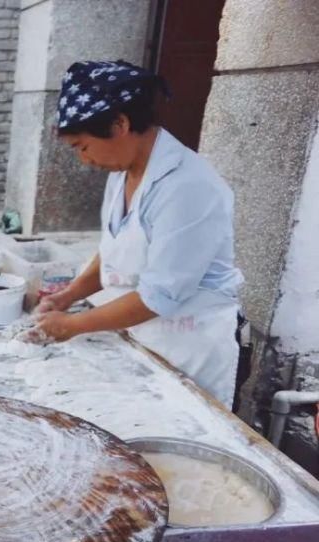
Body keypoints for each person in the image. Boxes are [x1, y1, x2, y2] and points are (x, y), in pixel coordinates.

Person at [33, 60, 244, 407]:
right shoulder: (122, 173)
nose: (83, 160)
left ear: (120, 124)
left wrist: (71, 325)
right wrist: (67, 297)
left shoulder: (187, 186)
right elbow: (115, 250)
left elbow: (158, 296)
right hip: (140, 338)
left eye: (82, 146)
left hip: (187, 347)